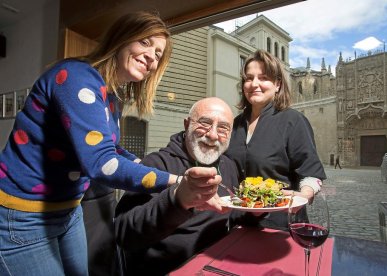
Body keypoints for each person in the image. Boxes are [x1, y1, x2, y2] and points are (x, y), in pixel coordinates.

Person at [0, 11, 221, 275]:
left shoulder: (110, 96)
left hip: (69, 210)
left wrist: (161, 172)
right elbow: (102, 163)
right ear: (123, 38)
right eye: (145, 43)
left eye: (159, 53)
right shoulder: (76, 77)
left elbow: (113, 150)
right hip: (22, 214)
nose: (151, 56)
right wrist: (177, 182)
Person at [114, 97, 259, 275]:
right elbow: (124, 233)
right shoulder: (156, 165)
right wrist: (177, 200)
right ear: (187, 124)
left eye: (223, 128)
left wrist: (255, 211)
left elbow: (234, 215)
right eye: (205, 123)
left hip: (221, 263)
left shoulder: (228, 166)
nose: (213, 135)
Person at [225, 49, 326, 229]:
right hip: (238, 224)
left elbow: (311, 173)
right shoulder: (235, 124)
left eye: (263, 78)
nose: (254, 84)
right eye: (248, 78)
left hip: (281, 225)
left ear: (277, 84)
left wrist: (304, 194)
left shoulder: (293, 121)